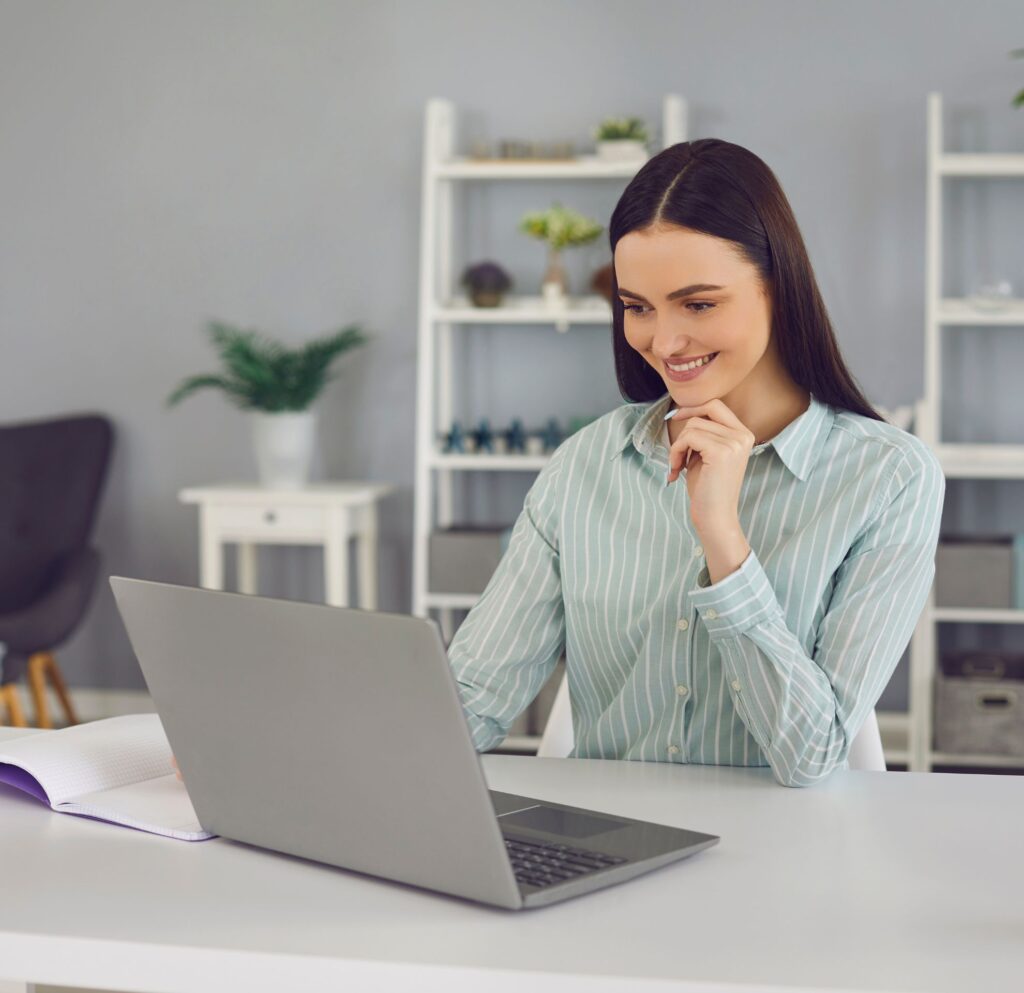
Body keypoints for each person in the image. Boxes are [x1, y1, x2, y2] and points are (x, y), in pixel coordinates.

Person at [446, 138, 945, 788]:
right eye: (637, 307)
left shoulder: (889, 478)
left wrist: (723, 538)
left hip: (789, 863)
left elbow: (811, 754)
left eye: (699, 304)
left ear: (777, 289)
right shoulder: (586, 464)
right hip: (608, 855)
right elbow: (473, 700)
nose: (665, 341)